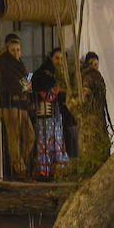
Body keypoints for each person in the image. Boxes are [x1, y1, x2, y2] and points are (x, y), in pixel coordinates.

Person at [0, 33, 35, 180]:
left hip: (22, 104)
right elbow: (15, 84)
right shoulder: (5, 63)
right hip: (10, 104)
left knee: (30, 136)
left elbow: (26, 83)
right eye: (13, 50)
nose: (16, 53)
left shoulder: (20, 64)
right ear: (7, 49)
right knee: (14, 137)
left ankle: (21, 164)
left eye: (18, 49)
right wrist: (24, 85)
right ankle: (19, 169)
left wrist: (26, 85)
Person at [30, 48, 69, 179]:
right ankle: (43, 170)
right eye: (57, 58)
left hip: (56, 115)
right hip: (43, 114)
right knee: (44, 141)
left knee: (56, 141)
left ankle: (55, 170)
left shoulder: (62, 75)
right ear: (51, 58)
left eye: (62, 59)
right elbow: (32, 84)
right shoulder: (41, 73)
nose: (59, 61)